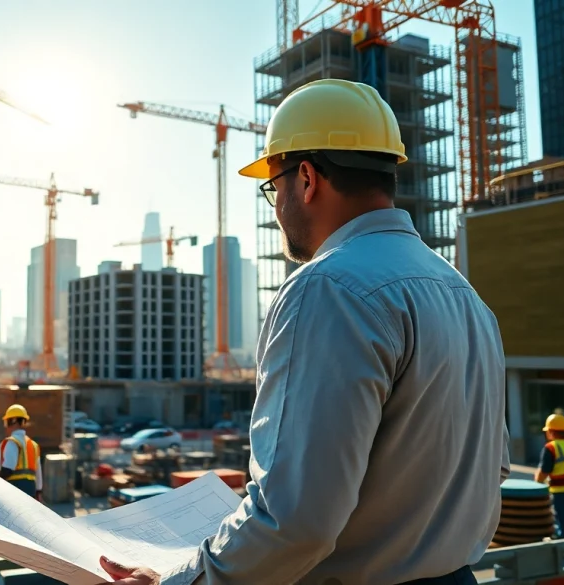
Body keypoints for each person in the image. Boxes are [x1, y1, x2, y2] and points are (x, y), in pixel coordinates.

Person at [98, 78, 510, 585]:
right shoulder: (466, 297)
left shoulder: (328, 288)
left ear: (308, 178)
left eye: (274, 185)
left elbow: (294, 521)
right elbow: (493, 470)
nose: (275, 207)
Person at [0, 404, 43, 501]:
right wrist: (38, 491)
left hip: (15, 489)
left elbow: (8, 468)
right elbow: (38, 472)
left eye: (6, 422)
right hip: (31, 489)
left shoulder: (12, 442)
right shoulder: (33, 445)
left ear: (13, 421)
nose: (6, 426)